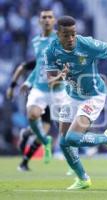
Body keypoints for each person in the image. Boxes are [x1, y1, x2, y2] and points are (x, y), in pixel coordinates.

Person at [45, 16, 107, 190]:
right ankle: (83, 179)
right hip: (71, 95)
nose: (70, 39)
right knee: (63, 142)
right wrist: (61, 75)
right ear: (57, 34)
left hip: (94, 95)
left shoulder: (87, 45)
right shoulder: (51, 50)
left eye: (73, 34)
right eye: (66, 35)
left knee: (73, 138)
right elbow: (51, 80)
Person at [6, 9, 66, 167]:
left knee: (59, 128)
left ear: (54, 20)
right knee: (32, 115)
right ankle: (40, 140)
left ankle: (25, 160)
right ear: (39, 21)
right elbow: (39, 65)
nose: (47, 19)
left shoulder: (60, 39)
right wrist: (28, 82)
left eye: (50, 17)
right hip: (40, 89)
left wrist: (62, 75)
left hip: (57, 90)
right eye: (44, 17)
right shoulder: (36, 41)